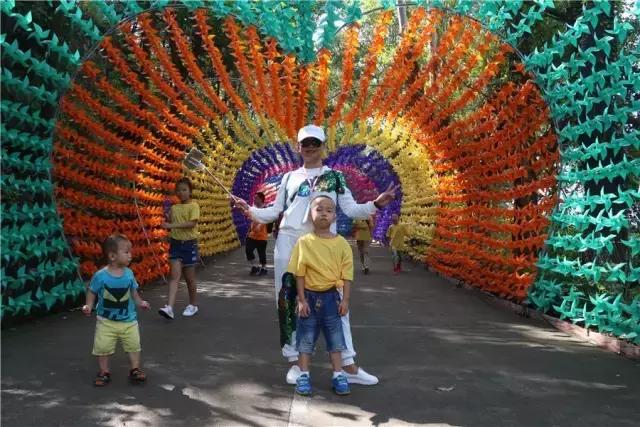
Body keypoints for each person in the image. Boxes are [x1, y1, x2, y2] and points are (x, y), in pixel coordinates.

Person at [233, 124, 397, 386]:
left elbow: (351, 209)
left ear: (323, 147)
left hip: (323, 245)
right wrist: (250, 210)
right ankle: (297, 364)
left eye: (315, 143)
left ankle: (349, 365)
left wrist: (376, 204)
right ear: (298, 147)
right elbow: (274, 212)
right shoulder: (288, 178)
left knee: (337, 300)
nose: (310, 147)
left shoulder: (335, 177)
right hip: (288, 243)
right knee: (288, 301)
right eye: (305, 143)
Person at [288, 195, 353, 396]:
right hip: (309, 296)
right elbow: (300, 273)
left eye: (329, 210)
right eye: (319, 209)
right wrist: (301, 299)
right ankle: (304, 375)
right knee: (305, 339)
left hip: (332, 298)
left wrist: (345, 300)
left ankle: (338, 375)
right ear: (310, 214)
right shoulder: (304, 242)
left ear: (335, 216)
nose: (324, 213)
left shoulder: (342, 243)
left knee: (336, 339)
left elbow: (347, 275)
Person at [82, 233, 150, 386]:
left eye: (130, 252)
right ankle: (104, 372)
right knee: (103, 347)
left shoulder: (129, 274)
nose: (130, 256)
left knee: (133, 345)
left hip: (129, 319)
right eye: (126, 252)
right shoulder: (101, 276)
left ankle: (135, 369)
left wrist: (140, 302)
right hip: (106, 320)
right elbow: (92, 291)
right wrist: (89, 305)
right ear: (112, 256)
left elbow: (133, 291)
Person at [159, 177, 200, 319]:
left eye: (184, 190)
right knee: (174, 276)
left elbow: (191, 224)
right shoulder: (174, 208)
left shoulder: (194, 206)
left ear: (190, 191)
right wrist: (165, 218)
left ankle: (193, 305)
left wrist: (171, 226)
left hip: (189, 245)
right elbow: (168, 220)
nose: (181, 193)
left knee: (190, 279)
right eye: (179, 190)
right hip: (176, 244)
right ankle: (169, 307)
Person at [245, 192, 269, 276]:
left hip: (262, 236)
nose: (254, 199)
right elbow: (252, 220)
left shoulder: (266, 209)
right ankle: (254, 266)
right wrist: (249, 231)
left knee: (261, 253)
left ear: (261, 199)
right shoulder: (254, 208)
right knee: (248, 250)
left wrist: (260, 225)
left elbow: (267, 220)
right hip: (252, 235)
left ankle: (264, 268)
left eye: (256, 198)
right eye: (254, 198)